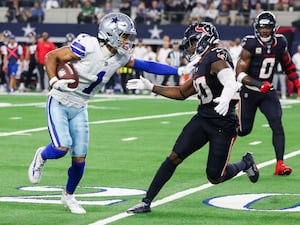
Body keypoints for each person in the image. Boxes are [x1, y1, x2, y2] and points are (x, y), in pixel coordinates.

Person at [27, 12, 195, 214]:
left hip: (81, 105)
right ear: (111, 33)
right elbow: (51, 56)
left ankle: (69, 196)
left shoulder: (121, 56)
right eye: (124, 35)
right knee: (62, 147)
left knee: (79, 159)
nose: (127, 40)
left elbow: (146, 65)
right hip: (60, 100)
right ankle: (42, 156)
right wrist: (54, 81)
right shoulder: (87, 46)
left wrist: (178, 71)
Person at [126, 22, 259, 214]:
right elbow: (181, 92)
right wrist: (151, 87)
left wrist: (228, 93)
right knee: (174, 157)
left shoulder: (217, 56)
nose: (190, 47)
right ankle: (146, 201)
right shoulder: (200, 63)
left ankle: (245, 163)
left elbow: (229, 79)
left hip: (223, 123)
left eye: (193, 41)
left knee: (215, 177)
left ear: (205, 38)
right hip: (203, 118)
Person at [235, 11, 300, 176]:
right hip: (249, 92)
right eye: (262, 27)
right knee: (243, 130)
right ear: (257, 28)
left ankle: (280, 164)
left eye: (268, 27)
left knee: (277, 123)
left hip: (267, 92)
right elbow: (240, 74)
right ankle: (221, 137)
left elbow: (287, 64)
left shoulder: (280, 43)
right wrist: (258, 83)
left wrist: (297, 83)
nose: (265, 31)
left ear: (274, 28)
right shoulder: (249, 44)